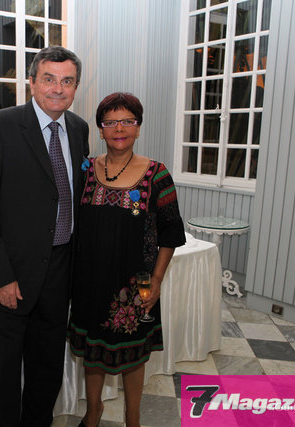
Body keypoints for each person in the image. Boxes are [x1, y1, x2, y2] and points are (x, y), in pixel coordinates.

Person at [0, 46, 89, 426]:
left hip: (60, 270)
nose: (58, 88)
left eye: (67, 81)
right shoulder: (0, 126)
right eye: (49, 79)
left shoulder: (79, 129)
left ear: (76, 87)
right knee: (4, 374)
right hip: (13, 275)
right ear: (32, 82)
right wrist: (0, 277)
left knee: (47, 367)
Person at [68, 92, 186, 427]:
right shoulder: (85, 171)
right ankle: (93, 411)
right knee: (93, 354)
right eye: (110, 122)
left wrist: (157, 280)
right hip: (90, 281)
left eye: (127, 121)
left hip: (136, 287)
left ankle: (133, 417)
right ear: (100, 130)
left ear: (138, 127)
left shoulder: (157, 175)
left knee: (134, 356)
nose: (119, 128)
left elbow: (170, 234)